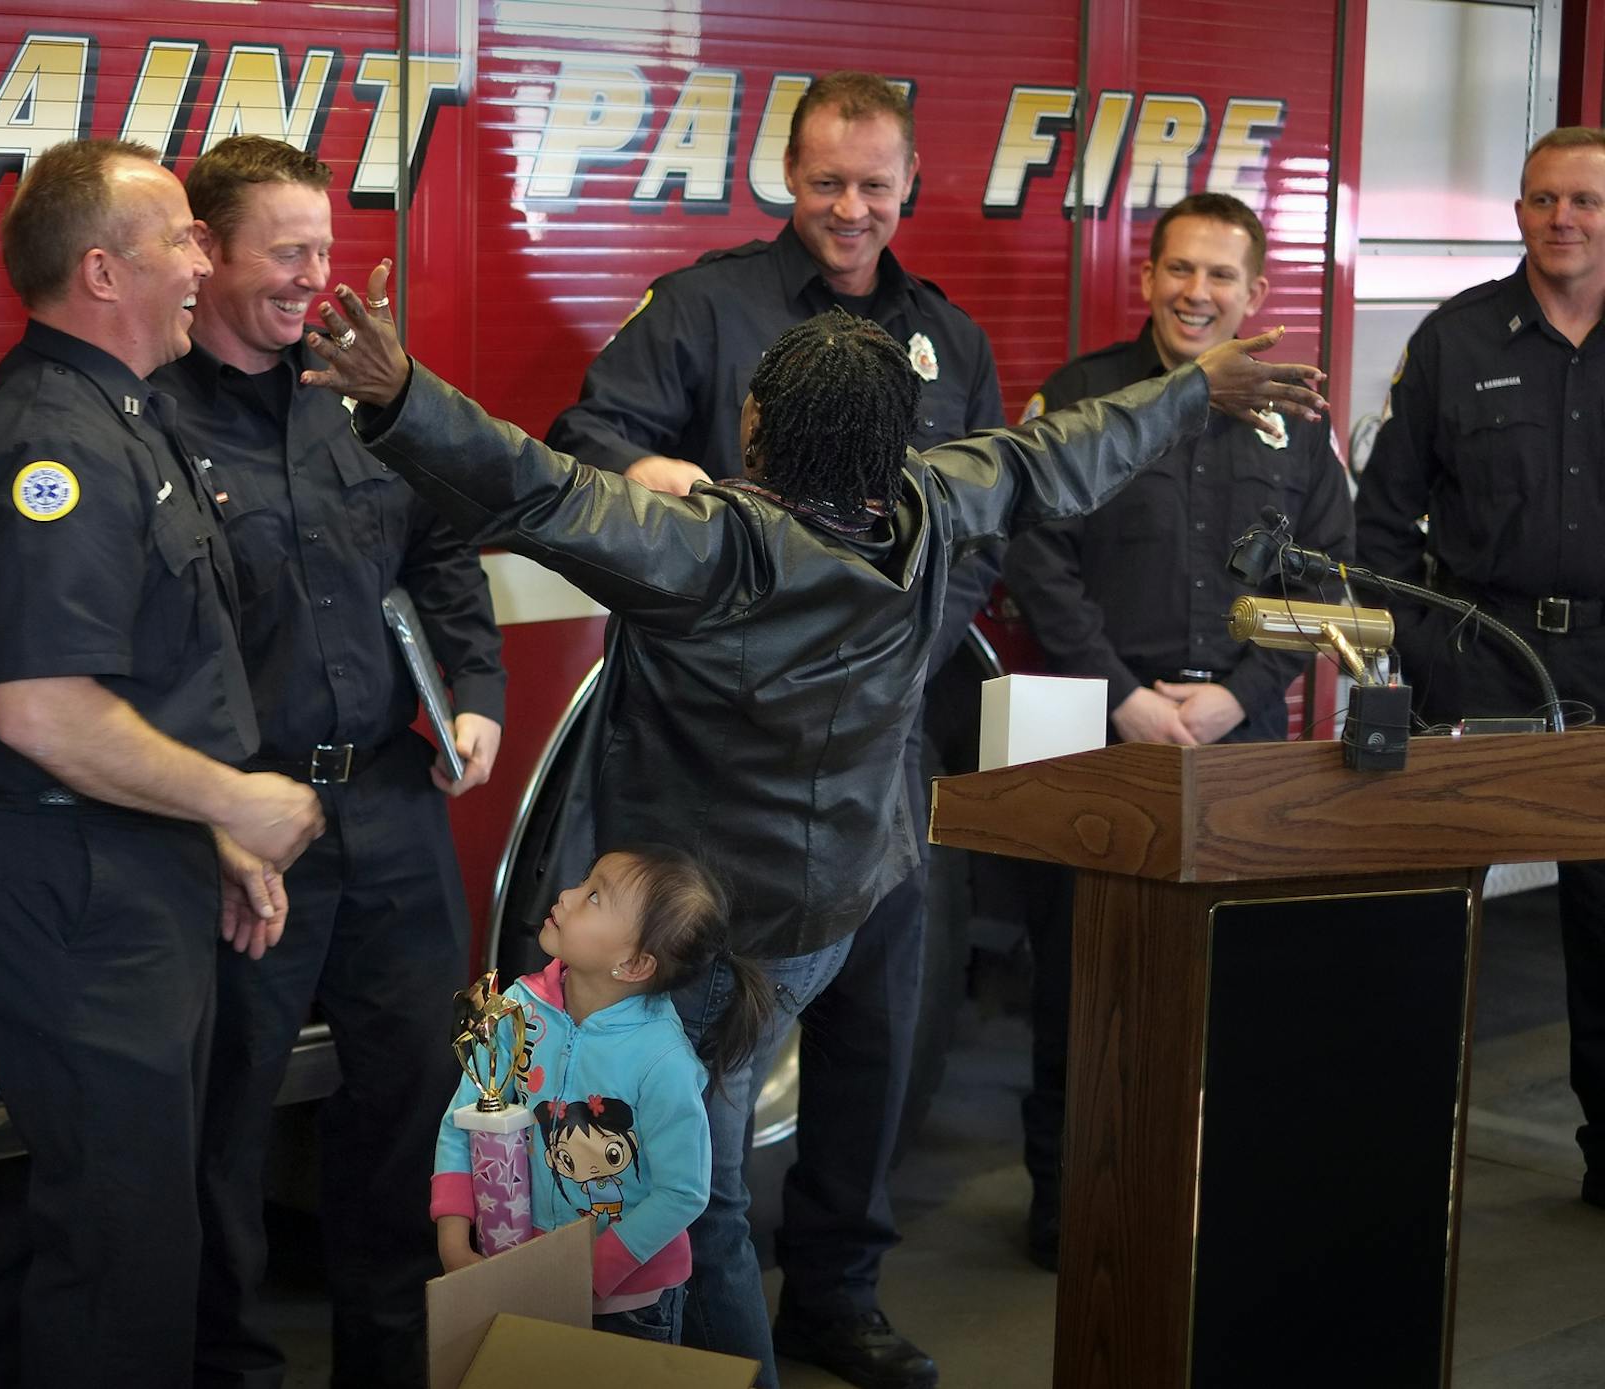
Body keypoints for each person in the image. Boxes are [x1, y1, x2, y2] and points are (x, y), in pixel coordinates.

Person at [305, 267, 1325, 1385]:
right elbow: (1058, 455)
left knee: (693, 1202)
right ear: (892, 440)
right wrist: (1195, 387)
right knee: (692, 1173)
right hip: (828, 912)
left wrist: (401, 391)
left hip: (698, 936)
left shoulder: (708, 551)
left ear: (757, 426)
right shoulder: (932, 506)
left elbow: (535, 487)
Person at [543, 70, 1003, 1387]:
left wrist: (890, 651)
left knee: (878, 1027)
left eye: (874, 184)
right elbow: (587, 437)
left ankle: (838, 1295)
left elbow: (980, 530)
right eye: (825, 182)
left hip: (883, 762)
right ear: (783, 177)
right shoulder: (706, 308)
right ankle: (693, 1310)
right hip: (723, 780)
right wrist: (657, 477)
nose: (850, 209)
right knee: (707, 1076)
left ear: (911, 185)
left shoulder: (949, 338)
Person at [0, 137, 324, 1387]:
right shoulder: (56, 444)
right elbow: (45, 709)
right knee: (123, 1250)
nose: (205, 261)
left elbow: (149, 684)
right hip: (76, 888)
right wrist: (236, 801)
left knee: (117, 1216)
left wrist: (202, 833)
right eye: (182, 240)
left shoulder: (125, 414)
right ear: (103, 272)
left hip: (130, 865)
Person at [151, 135, 507, 1389]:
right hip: (247, 831)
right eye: (287, 252)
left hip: (392, 807)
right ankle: (229, 1367)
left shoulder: (362, 390)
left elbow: (441, 549)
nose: (317, 278)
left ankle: (390, 1363)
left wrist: (475, 693)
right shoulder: (150, 414)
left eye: (325, 249)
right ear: (207, 252)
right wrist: (212, 817)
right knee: (225, 1123)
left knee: (413, 1105)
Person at [1003, 192, 1355, 1267]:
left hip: (1241, 740)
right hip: (1103, 730)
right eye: (1180, 270)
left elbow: (1325, 574)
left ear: (1256, 293)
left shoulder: (1298, 417)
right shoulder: (1081, 399)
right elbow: (1036, 556)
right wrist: (1123, 694)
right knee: (1085, 984)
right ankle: (1072, 1212)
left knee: (1238, 981)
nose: (1197, 293)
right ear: (1148, 278)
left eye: (1220, 275)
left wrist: (1242, 694)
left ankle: (1218, 1203)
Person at [1353, 125, 1605, 1214]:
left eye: (1586, 201)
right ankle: (1396, 1151)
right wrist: (1429, 652)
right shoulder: (1454, 340)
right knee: (1431, 913)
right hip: (1485, 655)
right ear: (1517, 213)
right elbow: (1379, 524)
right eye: (1544, 199)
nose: (1564, 219)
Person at [432, 846, 770, 1346]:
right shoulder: (516, 1009)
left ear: (632, 964)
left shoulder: (663, 1061)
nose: (567, 895)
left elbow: (683, 1191)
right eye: (584, 882)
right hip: (515, 1273)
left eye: (593, 897)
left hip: (628, 1308)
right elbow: (462, 1119)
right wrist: (453, 1242)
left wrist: (588, 1273)